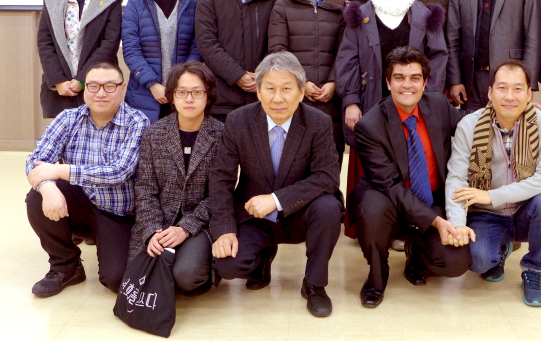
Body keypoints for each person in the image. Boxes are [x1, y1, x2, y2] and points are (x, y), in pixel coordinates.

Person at [210, 51, 343, 318]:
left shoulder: (319, 123)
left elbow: (327, 176)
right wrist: (224, 230)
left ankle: (315, 284)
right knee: (228, 266)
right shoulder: (238, 121)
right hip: (255, 216)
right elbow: (221, 178)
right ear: (258, 92)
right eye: (270, 89)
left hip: (301, 213)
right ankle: (261, 259)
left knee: (329, 207)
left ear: (301, 92)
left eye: (286, 89)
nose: (278, 98)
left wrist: (277, 199)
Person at [336, 0, 447, 239]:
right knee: (375, 167)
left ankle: (411, 223)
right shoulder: (361, 13)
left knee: (409, 162)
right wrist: (350, 100)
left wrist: (427, 100)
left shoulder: (421, 13)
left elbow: (438, 57)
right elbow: (346, 60)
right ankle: (371, 225)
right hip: (371, 102)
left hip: (413, 105)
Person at [350, 46, 471, 308]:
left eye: (415, 78)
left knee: (456, 262)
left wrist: (521, 111)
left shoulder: (438, 104)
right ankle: (376, 277)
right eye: (399, 78)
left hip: (431, 199)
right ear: (388, 82)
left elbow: (471, 123)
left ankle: (416, 258)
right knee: (371, 208)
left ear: (425, 82)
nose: (407, 85)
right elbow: (390, 186)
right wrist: (437, 222)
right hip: (388, 204)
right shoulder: (370, 126)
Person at [445, 60, 541, 307]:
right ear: (490, 92)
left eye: (518, 89)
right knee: (478, 262)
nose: (509, 96)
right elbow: (456, 178)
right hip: (487, 215)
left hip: (526, 210)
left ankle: (533, 270)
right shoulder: (470, 125)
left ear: (530, 94)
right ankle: (499, 251)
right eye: (502, 88)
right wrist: (458, 224)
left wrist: (492, 195)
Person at [25, 62, 149, 297]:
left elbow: (119, 171)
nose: (100, 93)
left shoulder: (138, 122)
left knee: (117, 280)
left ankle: (107, 247)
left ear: (122, 89)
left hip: (118, 215)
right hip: (80, 206)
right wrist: (48, 187)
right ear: (84, 89)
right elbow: (35, 162)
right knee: (36, 196)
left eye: (109, 86)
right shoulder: (68, 118)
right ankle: (66, 266)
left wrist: (61, 171)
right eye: (93, 86)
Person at [128, 62, 224, 295]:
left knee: (186, 277)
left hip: (200, 224)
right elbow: (145, 189)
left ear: (208, 96)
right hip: (160, 221)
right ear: (171, 96)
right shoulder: (154, 133)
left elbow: (222, 194)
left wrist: (186, 228)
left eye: (197, 92)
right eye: (181, 92)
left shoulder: (222, 135)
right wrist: (152, 230)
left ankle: (202, 262)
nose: (189, 99)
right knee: (130, 277)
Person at [268, 0, 347, 163]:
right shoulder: (282, 6)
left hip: (331, 99)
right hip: (295, 97)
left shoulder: (339, 8)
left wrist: (333, 82)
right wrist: (303, 83)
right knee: (295, 163)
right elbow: (277, 51)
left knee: (330, 161)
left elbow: (345, 52)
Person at [195, 0, 277, 123]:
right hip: (224, 97)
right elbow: (207, 44)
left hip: (263, 94)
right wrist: (238, 76)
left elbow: (276, 40)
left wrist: (262, 75)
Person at [38, 0, 123, 119]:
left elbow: (109, 44)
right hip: (60, 89)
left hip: (97, 85)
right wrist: (58, 81)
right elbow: (45, 42)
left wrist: (82, 80)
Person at [122, 0, 201, 123]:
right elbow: (131, 50)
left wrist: (180, 84)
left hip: (183, 93)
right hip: (144, 93)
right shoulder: (136, 2)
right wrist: (153, 84)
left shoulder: (191, 3)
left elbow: (197, 48)